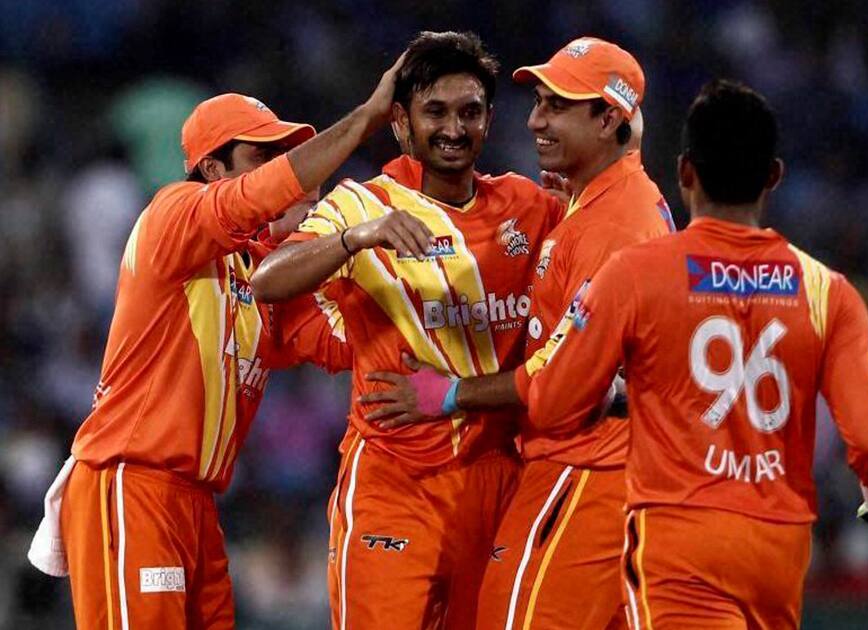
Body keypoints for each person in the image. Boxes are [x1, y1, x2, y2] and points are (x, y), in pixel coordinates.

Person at [526, 80, 868, 629]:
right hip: (779, 547)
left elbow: (552, 402)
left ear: (684, 174)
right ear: (773, 176)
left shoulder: (636, 275)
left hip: (679, 537)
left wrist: (633, 395)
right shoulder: (828, 291)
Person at [27, 54, 409, 628]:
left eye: (281, 155)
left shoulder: (259, 270)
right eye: (261, 156)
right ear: (210, 168)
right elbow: (254, 199)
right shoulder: (171, 216)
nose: (281, 170)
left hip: (197, 503)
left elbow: (341, 343)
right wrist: (364, 119)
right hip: (134, 482)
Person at [250, 31, 565, 629]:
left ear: (489, 121)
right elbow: (267, 278)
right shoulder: (362, 206)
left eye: (470, 112)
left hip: (496, 479)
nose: (454, 128)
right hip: (393, 479)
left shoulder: (529, 206)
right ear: (401, 122)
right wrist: (355, 241)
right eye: (435, 112)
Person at [362, 36, 673, 630]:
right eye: (537, 103)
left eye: (558, 106)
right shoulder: (609, 203)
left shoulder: (612, 226)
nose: (536, 120)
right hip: (605, 474)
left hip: (586, 474)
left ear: (609, 118)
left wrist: (447, 395)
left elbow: (558, 385)